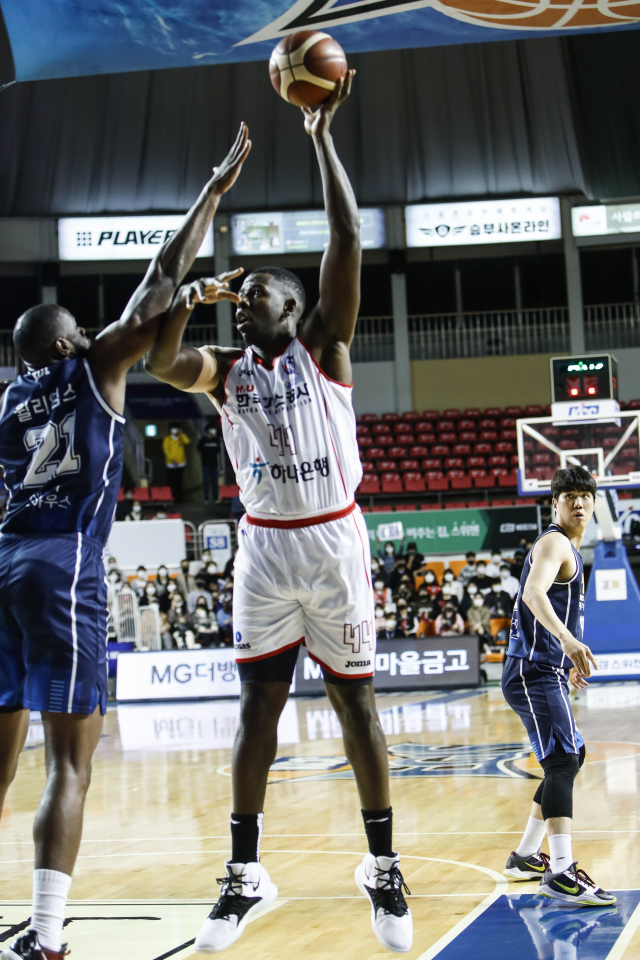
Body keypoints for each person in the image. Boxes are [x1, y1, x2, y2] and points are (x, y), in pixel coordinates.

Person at [145, 75, 412, 954]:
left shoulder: (325, 346)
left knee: (356, 709)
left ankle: (382, 866)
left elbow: (344, 234)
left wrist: (320, 136)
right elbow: (159, 358)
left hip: (334, 541)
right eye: (245, 288)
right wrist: (191, 295)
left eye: (263, 289)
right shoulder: (224, 368)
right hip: (265, 549)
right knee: (257, 711)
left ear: (295, 307)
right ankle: (245, 871)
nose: (249, 294)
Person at [0, 122, 251, 960]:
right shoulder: (94, 364)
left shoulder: (6, 405)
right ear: (70, 342)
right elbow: (153, 285)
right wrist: (212, 192)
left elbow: (162, 299)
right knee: (70, 763)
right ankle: (44, 937)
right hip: (64, 562)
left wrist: (183, 301)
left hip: (3, 561)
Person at [501, 467, 615, 907]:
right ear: (555, 503)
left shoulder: (567, 546)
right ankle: (562, 872)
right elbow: (532, 592)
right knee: (563, 759)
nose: (580, 503)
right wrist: (566, 642)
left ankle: (526, 856)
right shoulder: (554, 542)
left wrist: (560, 654)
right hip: (531, 670)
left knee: (569, 756)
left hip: (539, 668)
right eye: (570, 496)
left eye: (586, 495)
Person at [163, 421, 190, 503]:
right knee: (170, 482)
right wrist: (172, 459)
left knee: (179, 482)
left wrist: (181, 434)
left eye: (176, 428)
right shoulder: (167, 439)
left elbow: (187, 441)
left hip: (181, 464)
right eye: (173, 428)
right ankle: (170, 498)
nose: (174, 430)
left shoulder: (180, 438)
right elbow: (166, 450)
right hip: (171, 465)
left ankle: (179, 500)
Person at [198, 421, 221, 503]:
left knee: (215, 482)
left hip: (215, 464)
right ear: (207, 430)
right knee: (206, 482)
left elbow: (218, 451)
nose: (213, 431)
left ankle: (215, 498)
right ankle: (206, 499)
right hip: (206, 464)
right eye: (211, 429)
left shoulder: (216, 440)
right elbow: (199, 452)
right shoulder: (203, 441)